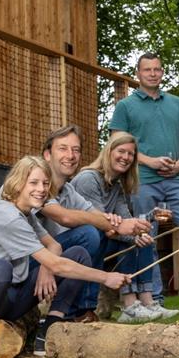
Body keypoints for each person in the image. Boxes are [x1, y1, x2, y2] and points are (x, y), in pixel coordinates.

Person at [0, 156, 131, 358]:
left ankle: (49, 328)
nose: (41, 189)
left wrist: (46, 270)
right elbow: (56, 262)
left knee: (79, 254)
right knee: (0, 268)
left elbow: (54, 245)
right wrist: (105, 277)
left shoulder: (26, 213)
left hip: (12, 294)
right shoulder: (7, 216)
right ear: (18, 183)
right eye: (34, 183)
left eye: (45, 183)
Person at [110, 53, 179, 310]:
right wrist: (149, 161)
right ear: (138, 73)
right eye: (147, 70)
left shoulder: (176, 103)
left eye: (157, 69)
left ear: (162, 72)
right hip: (143, 180)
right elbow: (117, 144)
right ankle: (154, 297)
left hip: (177, 181)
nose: (153, 74)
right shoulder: (126, 106)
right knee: (146, 236)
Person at [36, 125, 150, 320]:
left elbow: (97, 215)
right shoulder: (36, 182)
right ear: (47, 154)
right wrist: (115, 225)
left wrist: (134, 229)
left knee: (132, 240)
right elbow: (64, 217)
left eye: (76, 150)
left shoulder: (70, 191)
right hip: (22, 262)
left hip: (53, 253)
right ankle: (87, 307)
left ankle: (78, 312)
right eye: (63, 149)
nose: (70, 155)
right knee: (91, 233)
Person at [71, 132, 179, 323]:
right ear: (109, 151)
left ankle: (147, 301)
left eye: (131, 154)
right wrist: (131, 233)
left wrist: (148, 219)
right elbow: (100, 224)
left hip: (102, 237)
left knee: (143, 238)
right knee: (127, 238)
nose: (126, 157)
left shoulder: (116, 186)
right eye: (121, 151)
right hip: (83, 241)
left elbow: (126, 221)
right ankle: (130, 306)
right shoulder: (88, 179)